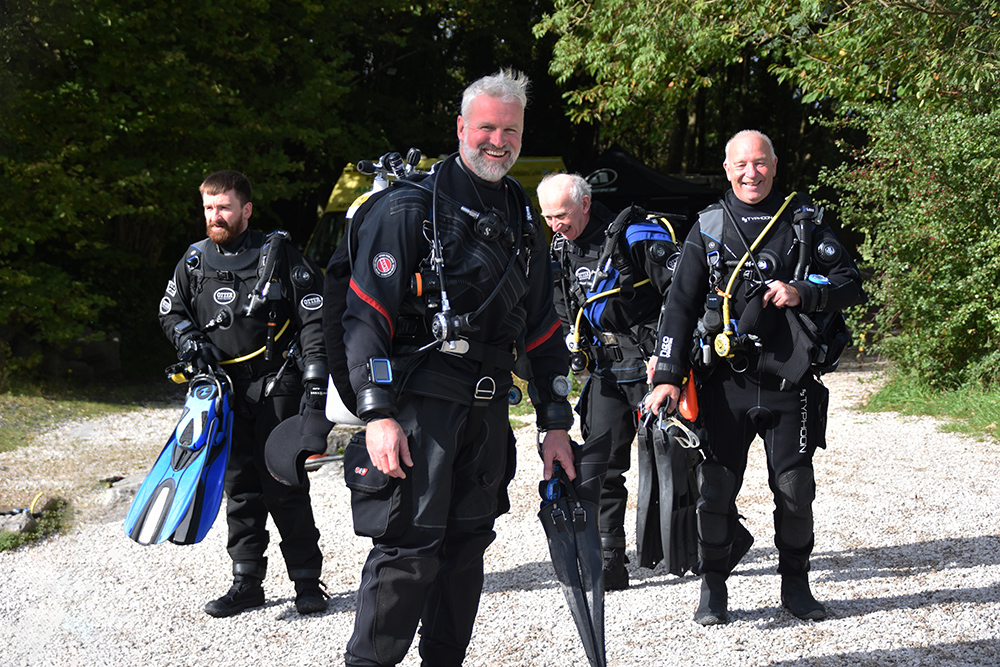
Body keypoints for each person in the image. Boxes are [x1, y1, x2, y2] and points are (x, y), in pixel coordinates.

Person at [333, 69, 577, 667]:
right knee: (408, 552)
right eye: (487, 127)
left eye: (510, 130)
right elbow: (366, 318)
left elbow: (544, 328)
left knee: (467, 548)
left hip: (489, 411)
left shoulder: (523, 218)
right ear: (461, 127)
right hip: (420, 407)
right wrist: (378, 414)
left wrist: (555, 423)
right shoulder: (408, 208)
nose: (498, 141)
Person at [645, 130, 864, 625]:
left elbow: (851, 284)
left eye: (760, 163)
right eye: (741, 164)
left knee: (794, 487)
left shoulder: (803, 222)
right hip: (726, 382)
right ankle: (714, 588)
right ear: (726, 169)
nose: (751, 173)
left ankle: (797, 586)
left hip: (792, 383)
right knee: (716, 487)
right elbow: (678, 308)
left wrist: (804, 292)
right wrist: (667, 374)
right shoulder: (709, 227)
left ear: (774, 164)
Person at [159, 170, 330, 618]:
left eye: (224, 207)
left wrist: (314, 384)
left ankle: (308, 583)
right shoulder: (194, 262)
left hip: (277, 384)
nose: (215, 216)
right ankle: (246, 582)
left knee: (284, 485)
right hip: (224, 393)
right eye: (209, 208)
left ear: (246, 210)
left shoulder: (278, 255)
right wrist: (189, 342)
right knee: (239, 488)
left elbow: (315, 319)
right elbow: (171, 313)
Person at [537, 172, 678, 589]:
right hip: (604, 367)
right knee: (598, 466)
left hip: (650, 364)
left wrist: (667, 358)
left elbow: (681, 294)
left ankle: (704, 550)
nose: (554, 225)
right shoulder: (560, 246)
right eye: (547, 217)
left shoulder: (634, 236)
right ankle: (610, 563)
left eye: (560, 215)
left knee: (681, 462)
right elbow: (562, 308)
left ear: (584, 203)